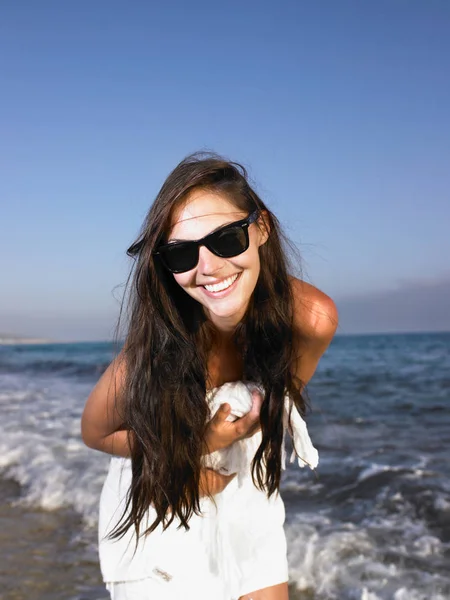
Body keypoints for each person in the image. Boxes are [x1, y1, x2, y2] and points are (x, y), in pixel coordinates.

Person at [81, 153, 338, 600]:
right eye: (182, 253)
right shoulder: (154, 352)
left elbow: (282, 400)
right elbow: (95, 432)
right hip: (163, 497)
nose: (208, 267)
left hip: (247, 496)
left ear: (260, 229)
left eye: (226, 239)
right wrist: (200, 443)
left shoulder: (309, 318)